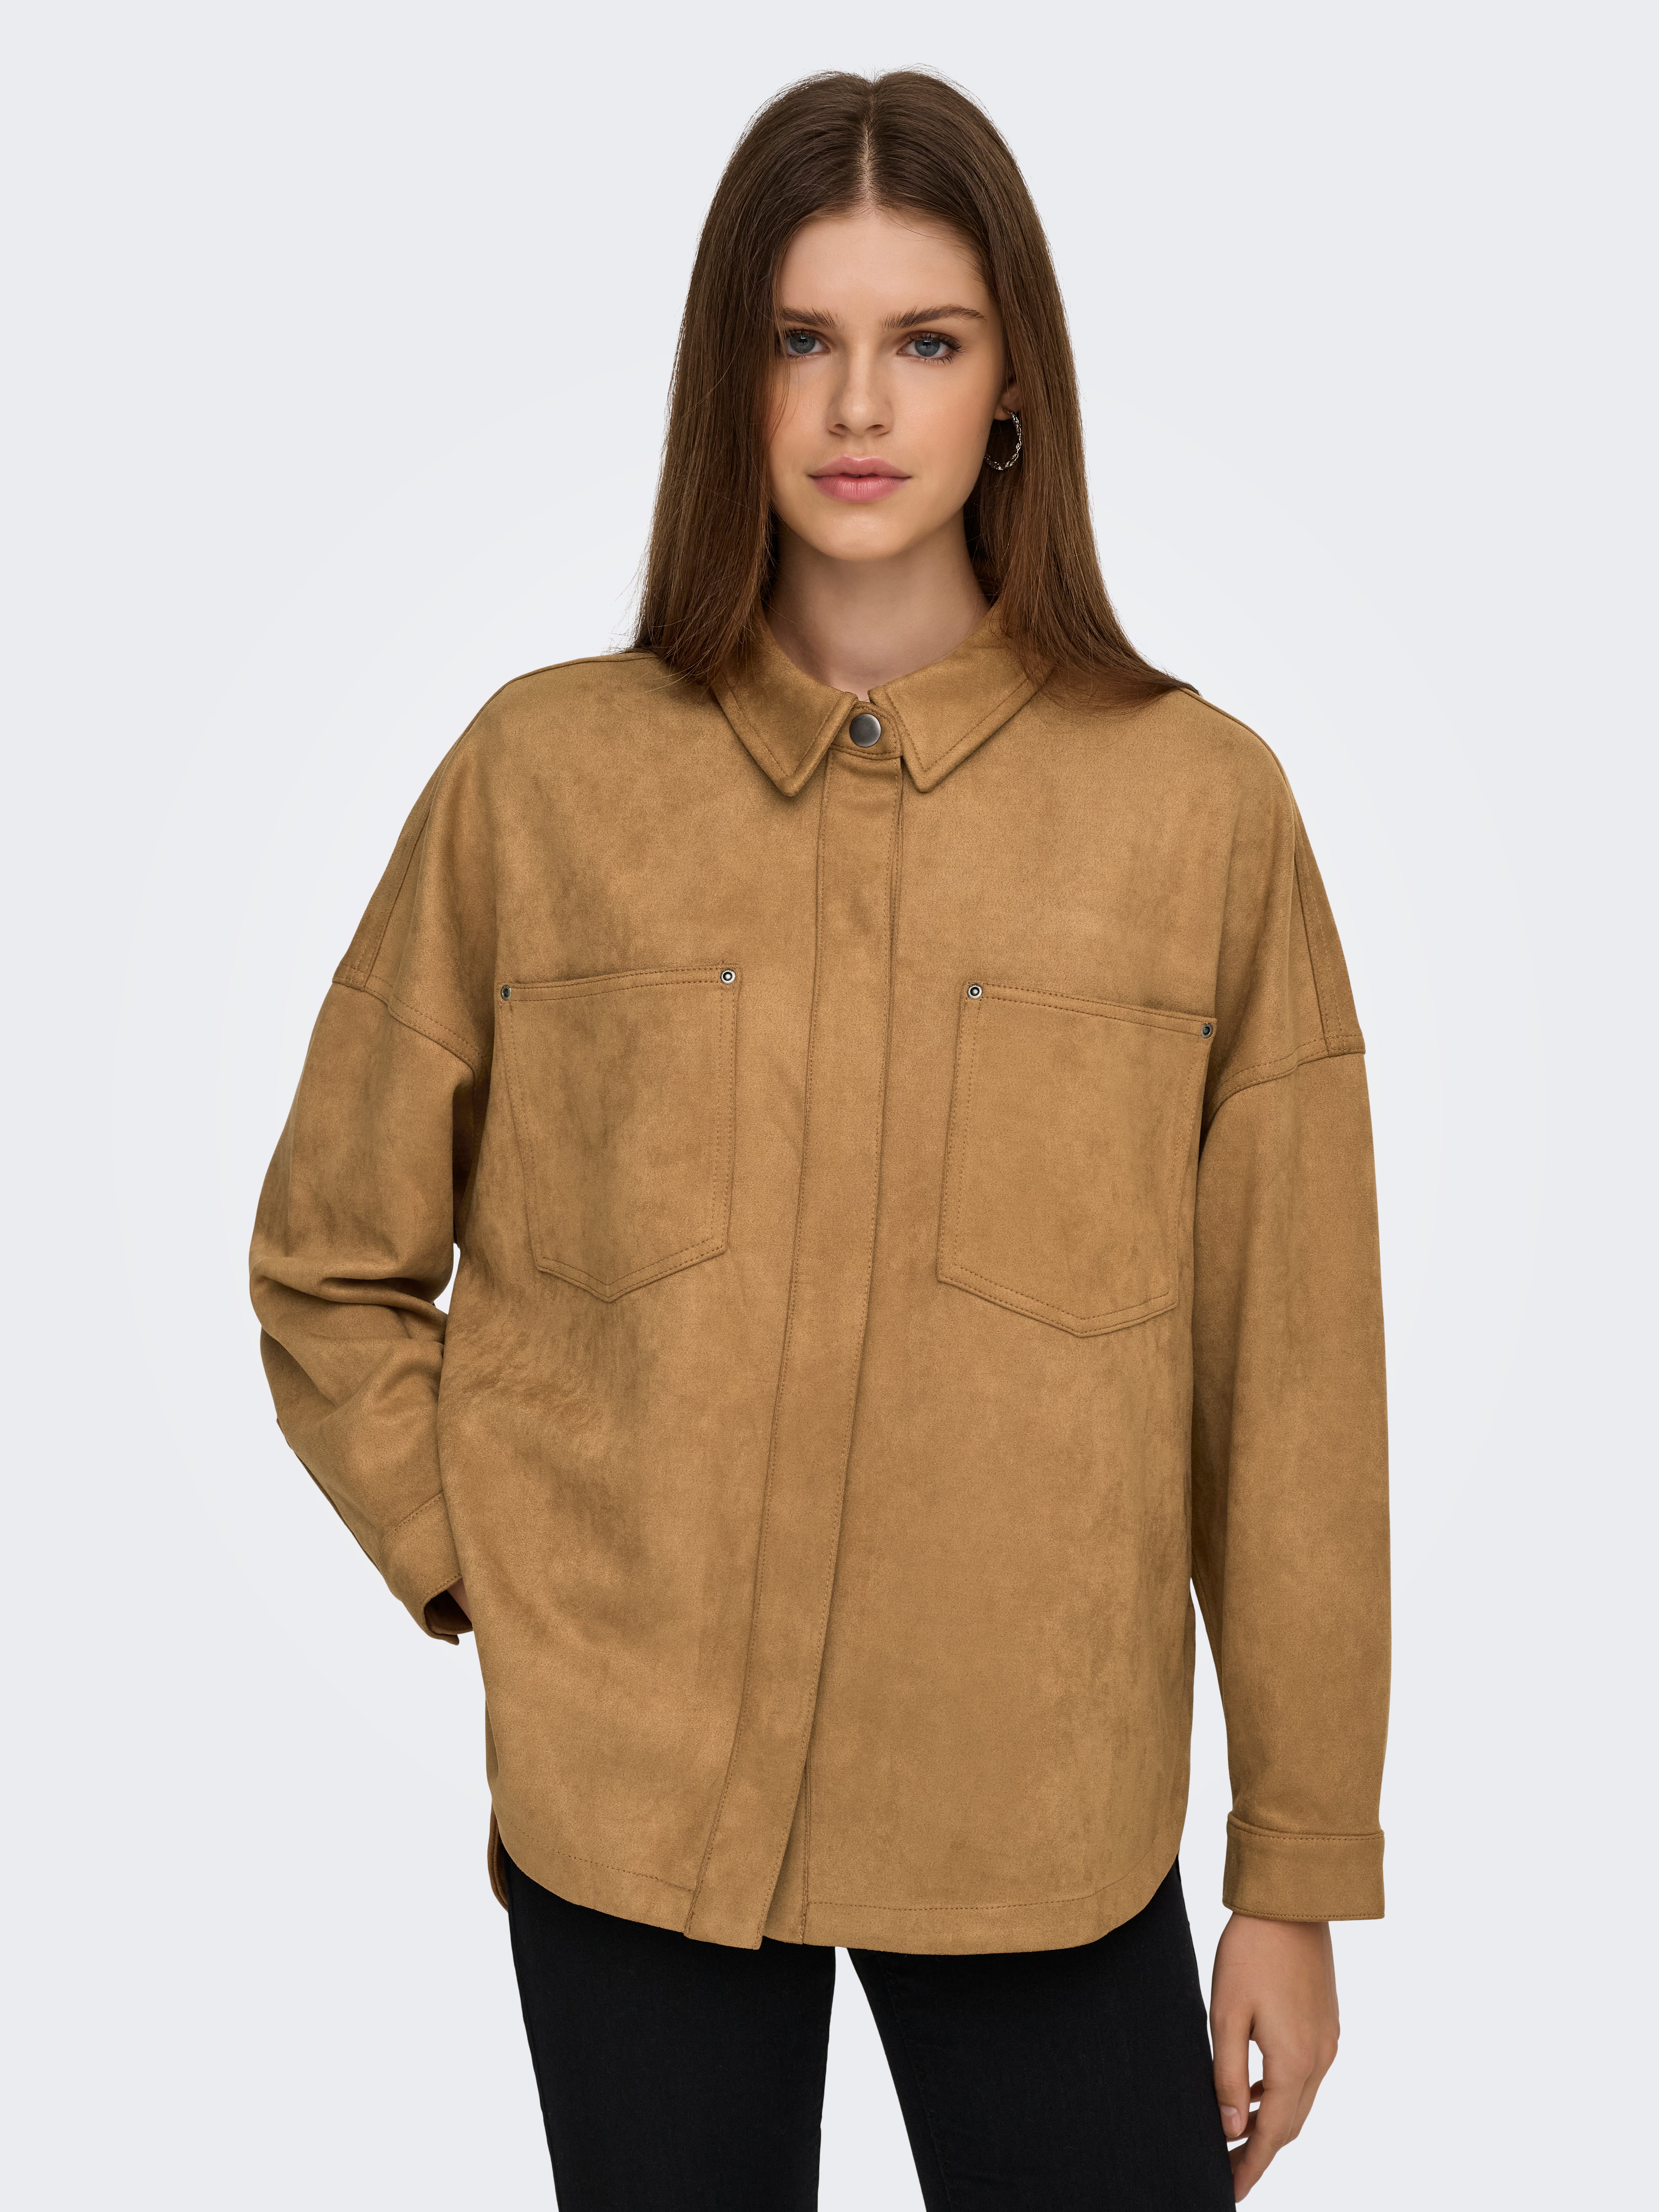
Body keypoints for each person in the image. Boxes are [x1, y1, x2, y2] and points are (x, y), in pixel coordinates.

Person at [249, 68, 1389, 2210]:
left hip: (1035, 1814)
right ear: (729, 375)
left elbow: (1293, 1387)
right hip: (631, 1814)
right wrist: (500, 1566)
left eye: (924, 340)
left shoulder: (1196, 812)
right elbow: (329, 1263)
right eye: (800, 338)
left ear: (1011, 383)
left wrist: (1294, 1874)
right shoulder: (543, 780)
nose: (860, 406)